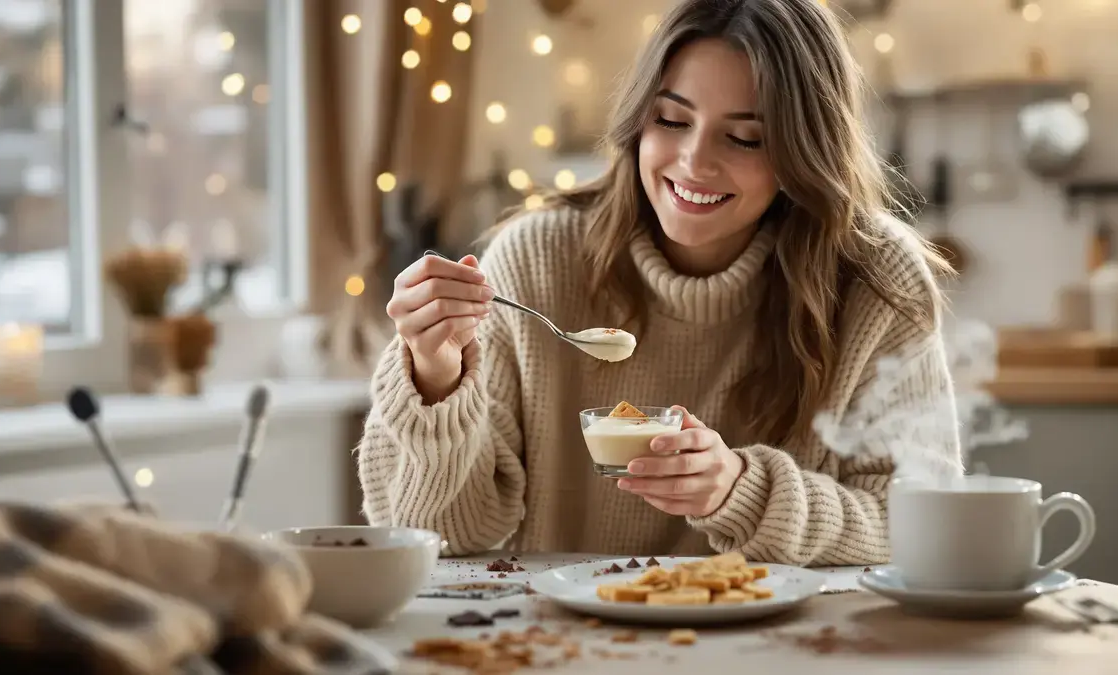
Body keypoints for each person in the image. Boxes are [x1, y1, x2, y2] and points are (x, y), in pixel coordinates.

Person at [358, 0, 963, 565]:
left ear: (803, 152)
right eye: (671, 120)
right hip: (567, 645)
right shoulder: (539, 259)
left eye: (744, 137)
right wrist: (435, 377)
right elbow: (441, 536)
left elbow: (926, 525)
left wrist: (742, 492)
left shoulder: (876, 280)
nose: (694, 162)